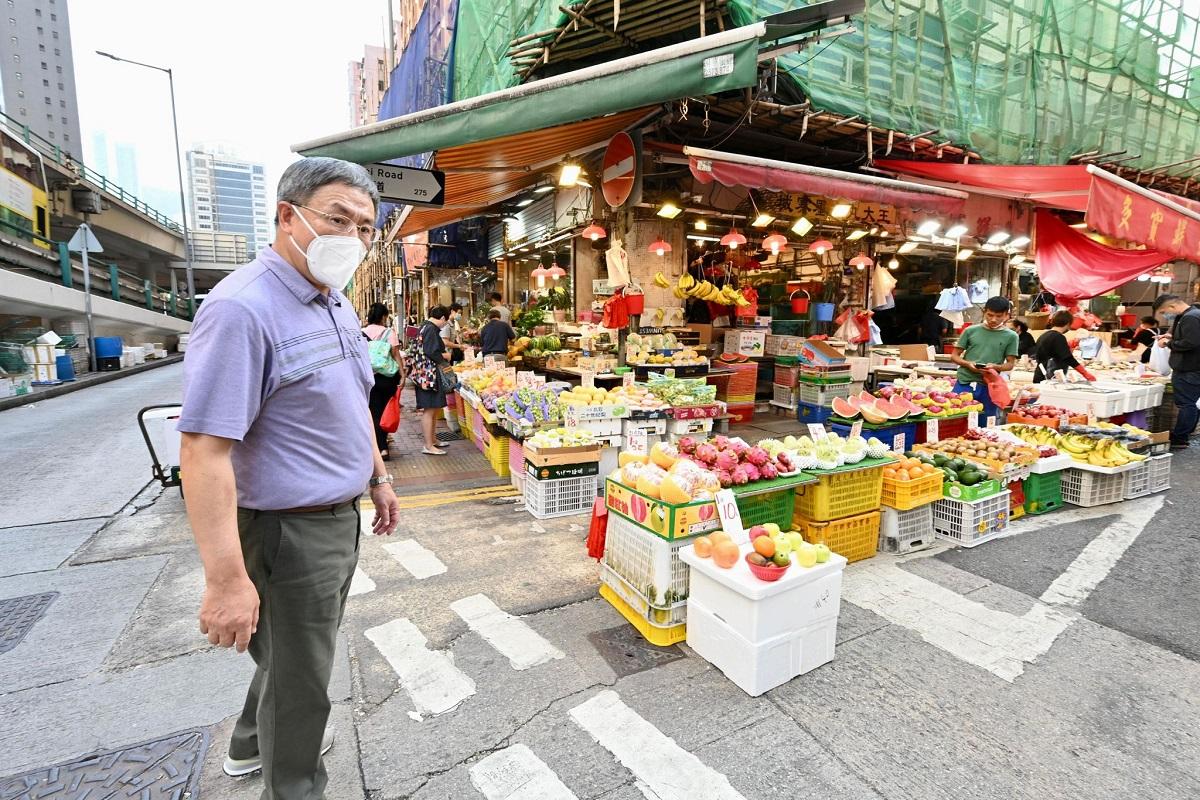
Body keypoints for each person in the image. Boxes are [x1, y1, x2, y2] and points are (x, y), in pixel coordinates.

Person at [176, 157, 400, 799]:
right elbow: (203, 452)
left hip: (337, 519)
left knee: (297, 652)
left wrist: (378, 476)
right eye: (337, 218)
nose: (352, 238)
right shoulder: (243, 310)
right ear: (287, 216)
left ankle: (251, 744)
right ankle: (294, 786)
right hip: (285, 532)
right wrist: (224, 580)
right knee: (303, 680)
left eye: (364, 227)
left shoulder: (334, 301)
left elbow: (349, 403)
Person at [950, 296, 1020, 419]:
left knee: (986, 424)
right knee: (957, 420)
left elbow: (1010, 364)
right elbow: (954, 356)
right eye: (990, 315)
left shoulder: (1011, 336)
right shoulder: (970, 331)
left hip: (990, 386)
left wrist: (995, 367)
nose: (993, 319)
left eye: (999, 316)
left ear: (1006, 315)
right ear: (984, 311)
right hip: (964, 382)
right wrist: (967, 364)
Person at [1152, 294, 1200, 449]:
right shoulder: (1189, 315)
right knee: (1189, 403)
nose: (1165, 315)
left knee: (1186, 404)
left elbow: (1191, 342)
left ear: (1172, 307)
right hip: (1191, 368)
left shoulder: (1190, 317)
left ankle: (1180, 438)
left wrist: (1168, 343)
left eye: (1164, 311)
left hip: (1189, 368)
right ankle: (1184, 434)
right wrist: (1170, 336)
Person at [362, 303, 402, 460]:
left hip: (368, 377)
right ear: (384, 316)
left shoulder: (361, 332)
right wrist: (403, 374)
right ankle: (383, 443)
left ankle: (381, 447)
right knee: (386, 410)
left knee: (374, 411)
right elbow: (396, 355)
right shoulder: (388, 332)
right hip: (387, 377)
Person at [415, 305, 451, 455]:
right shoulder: (430, 329)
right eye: (445, 322)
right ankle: (428, 445)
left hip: (425, 375)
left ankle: (433, 440)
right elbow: (431, 351)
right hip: (428, 376)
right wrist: (444, 358)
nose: (444, 325)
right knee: (429, 409)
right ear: (442, 318)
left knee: (433, 408)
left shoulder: (424, 326)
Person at [1033, 310, 1095, 383]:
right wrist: (1085, 373)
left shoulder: (1044, 336)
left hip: (1039, 375)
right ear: (1068, 324)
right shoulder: (1058, 337)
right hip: (1050, 378)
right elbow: (1068, 358)